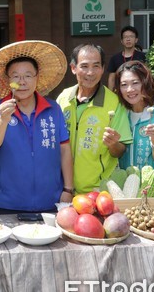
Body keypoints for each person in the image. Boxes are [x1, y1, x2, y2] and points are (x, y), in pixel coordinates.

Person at [0, 40, 74, 213]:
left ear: (37, 78)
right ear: (7, 81)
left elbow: (65, 150)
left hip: (52, 201)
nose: (22, 82)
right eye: (15, 76)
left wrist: (68, 189)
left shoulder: (53, 108)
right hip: (11, 203)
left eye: (28, 75)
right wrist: (2, 120)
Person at [56, 43, 133, 194]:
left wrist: (113, 144)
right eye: (84, 66)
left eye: (96, 66)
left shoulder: (114, 103)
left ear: (103, 68)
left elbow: (120, 151)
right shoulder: (63, 98)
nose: (90, 72)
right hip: (62, 188)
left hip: (97, 192)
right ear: (73, 68)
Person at [114, 61, 154, 203]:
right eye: (124, 85)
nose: (129, 89)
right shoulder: (121, 115)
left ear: (145, 83)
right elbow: (118, 153)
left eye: (135, 83)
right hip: (130, 196)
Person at [107, 26, 147, 90]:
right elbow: (112, 79)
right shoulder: (114, 58)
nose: (128, 39)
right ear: (122, 41)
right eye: (125, 37)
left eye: (131, 36)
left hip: (139, 91)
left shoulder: (143, 57)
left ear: (136, 40)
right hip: (120, 91)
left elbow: (147, 76)